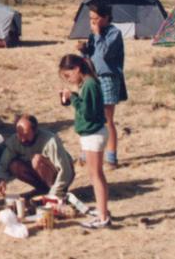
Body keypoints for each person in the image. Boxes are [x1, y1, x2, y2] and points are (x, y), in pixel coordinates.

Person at [59, 54, 111, 229]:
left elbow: (88, 112)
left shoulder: (89, 85)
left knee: (96, 175)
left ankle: (103, 217)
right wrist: (73, 98)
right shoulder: (89, 83)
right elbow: (88, 106)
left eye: (68, 75)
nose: (69, 80)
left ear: (77, 69)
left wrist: (73, 98)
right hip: (93, 134)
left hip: (93, 135)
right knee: (96, 175)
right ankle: (102, 210)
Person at [77, 2, 127, 167]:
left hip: (108, 78)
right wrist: (84, 50)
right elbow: (92, 57)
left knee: (107, 119)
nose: (93, 22)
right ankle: (87, 152)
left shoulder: (114, 33)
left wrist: (98, 34)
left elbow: (105, 53)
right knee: (90, 115)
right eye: (91, 18)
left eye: (96, 18)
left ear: (106, 18)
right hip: (94, 78)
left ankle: (111, 157)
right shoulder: (94, 34)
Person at [0, 115, 75, 199]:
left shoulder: (50, 141)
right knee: (14, 166)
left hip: (63, 175)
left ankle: (55, 192)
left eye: (26, 135)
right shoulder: (14, 141)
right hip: (43, 175)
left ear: (35, 131)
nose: (22, 139)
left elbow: (65, 170)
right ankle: (43, 190)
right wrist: (1, 181)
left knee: (37, 160)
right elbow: (3, 164)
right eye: (19, 135)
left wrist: (55, 192)